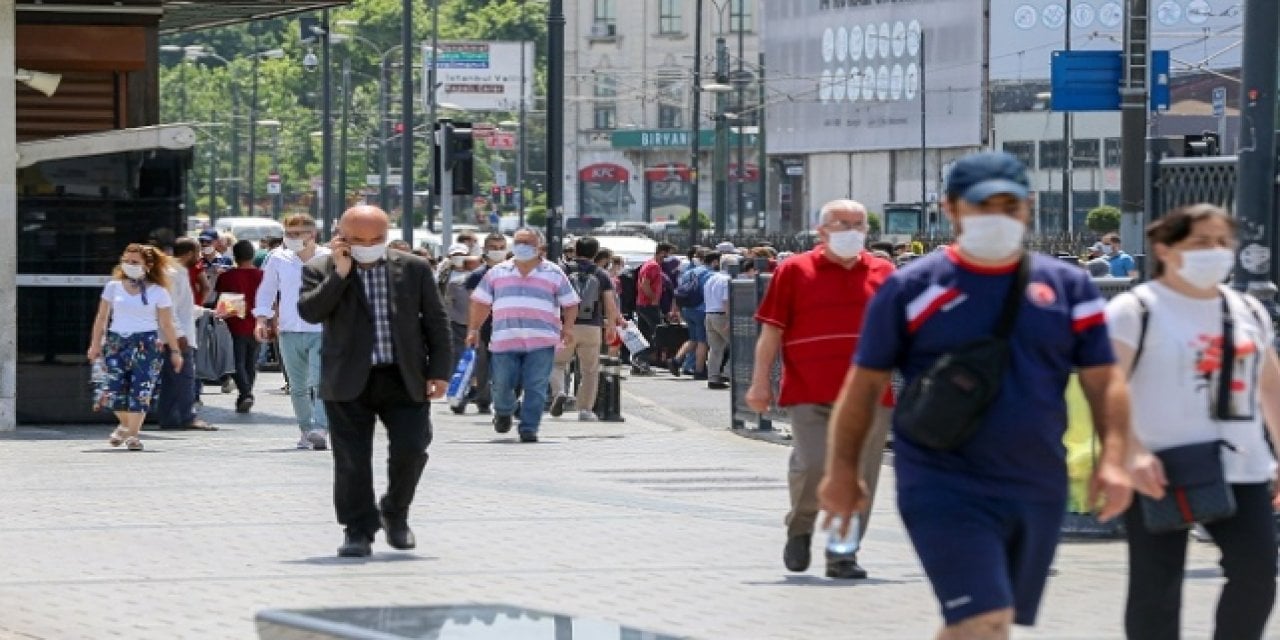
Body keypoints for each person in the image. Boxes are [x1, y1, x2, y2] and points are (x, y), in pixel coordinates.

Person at [820, 152, 1133, 637]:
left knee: (987, 621)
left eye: (1010, 205)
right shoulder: (911, 288)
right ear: (951, 209)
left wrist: (1114, 458)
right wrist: (842, 474)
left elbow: (1105, 381)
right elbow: (862, 389)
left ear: (1029, 207)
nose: (998, 216)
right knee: (982, 619)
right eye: (982, 205)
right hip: (943, 481)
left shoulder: (1068, 287)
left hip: (1035, 481)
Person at [1106, 204, 1280, 640]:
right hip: (1159, 467)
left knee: (1257, 574)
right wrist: (1132, 451)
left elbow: (1271, 387)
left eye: (1222, 242)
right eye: (1200, 242)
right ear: (1165, 248)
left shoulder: (1248, 310)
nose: (1215, 252)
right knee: (1156, 587)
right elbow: (1107, 387)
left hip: (1243, 466)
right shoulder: (1135, 310)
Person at [747, 200, 896, 580]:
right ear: (821, 230)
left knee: (860, 474)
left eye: (858, 224)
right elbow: (771, 332)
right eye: (841, 223)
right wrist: (760, 381)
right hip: (809, 390)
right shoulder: (794, 270)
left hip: (869, 395)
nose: (851, 229)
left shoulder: (884, 272)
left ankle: (842, 553)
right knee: (813, 466)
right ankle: (800, 526)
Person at [297, 205, 453, 558]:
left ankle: (395, 512)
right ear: (340, 236)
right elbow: (310, 311)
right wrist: (340, 274)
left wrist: (440, 371)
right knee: (351, 459)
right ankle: (358, 529)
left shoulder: (413, 268)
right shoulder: (319, 269)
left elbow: (436, 321)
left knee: (412, 448)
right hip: (348, 378)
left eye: (376, 239)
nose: (368, 245)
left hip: (403, 375)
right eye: (358, 240)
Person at [467, 227, 580, 442]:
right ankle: (503, 411)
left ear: (539, 247)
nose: (523, 247)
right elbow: (480, 302)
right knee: (500, 385)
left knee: (536, 386)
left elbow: (571, 303)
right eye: (519, 242)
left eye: (528, 243)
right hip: (504, 339)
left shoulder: (554, 272)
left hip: (542, 340)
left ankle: (529, 428)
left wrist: (568, 328)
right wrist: (474, 329)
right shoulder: (497, 272)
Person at [87, 244, 184, 451]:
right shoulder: (113, 287)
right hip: (116, 342)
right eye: (127, 261)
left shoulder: (159, 292)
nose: (129, 265)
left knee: (141, 390)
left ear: (147, 266)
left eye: (135, 262)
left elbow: (167, 324)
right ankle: (125, 425)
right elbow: (101, 317)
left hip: (146, 343)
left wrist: (175, 351)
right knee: (111, 390)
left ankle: (133, 435)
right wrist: (95, 343)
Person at [255, 213, 331, 450]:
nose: (292, 238)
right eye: (289, 233)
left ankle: (320, 428)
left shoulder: (328, 258)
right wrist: (261, 319)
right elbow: (267, 290)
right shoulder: (277, 258)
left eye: (298, 234)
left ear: (312, 234)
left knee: (320, 382)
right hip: (289, 328)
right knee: (297, 386)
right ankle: (306, 429)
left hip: (322, 329)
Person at [550, 236, 624, 422]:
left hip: (565, 325)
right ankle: (585, 410)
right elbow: (610, 302)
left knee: (557, 364)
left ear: (575, 251)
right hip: (591, 326)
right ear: (595, 253)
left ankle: (559, 392)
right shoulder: (601, 274)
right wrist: (611, 326)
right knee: (590, 370)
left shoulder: (563, 270)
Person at [154, 238, 215, 431]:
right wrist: (179, 335)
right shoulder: (172, 274)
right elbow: (168, 308)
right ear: (189, 253)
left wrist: (208, 312)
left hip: (176, 332)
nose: (199, 257)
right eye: (197, 253)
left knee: (172, 379)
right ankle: (187, 416)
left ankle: (169, 418)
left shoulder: (177, 273)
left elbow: (184, 308)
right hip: (177, 336)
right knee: (186, 377)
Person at [461, 233, 510, 415]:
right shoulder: (477, 275)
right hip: (485, 326)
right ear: (485, 249)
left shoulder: (514, 273)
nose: (498, 252)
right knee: (483, 366)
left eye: (501, 247)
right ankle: (483, 399)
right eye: (494, 248)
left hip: (508, 326)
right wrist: (473, 329)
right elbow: (473, 304)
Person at [214, 240, 264, 413]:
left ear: (234, 256)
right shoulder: (263, 275)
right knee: (251, 362)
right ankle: (246, 393)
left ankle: (246, 393)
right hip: (257, 323)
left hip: (234, 324)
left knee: (236, 362)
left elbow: (220, 301)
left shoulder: (227, 277)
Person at [634, 242, 675, 368]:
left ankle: (639, 361)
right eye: (668, 254)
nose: (668, 257)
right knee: (658, 333)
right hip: (648, 305)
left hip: (643, 304)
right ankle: (642, 358)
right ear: (662, 252)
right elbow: (644, 284)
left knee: (645, 334)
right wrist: (653, 299)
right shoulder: (653, 266)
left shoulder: (649, 264)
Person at [701, 251, 731, 390]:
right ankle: (726, 372)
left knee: (715, 349)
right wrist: (729, 319)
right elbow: (726, 301)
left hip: (709, 314)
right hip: (722, 315)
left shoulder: (711, 278)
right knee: (739, 347)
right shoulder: (727, 279)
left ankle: (713, 377)